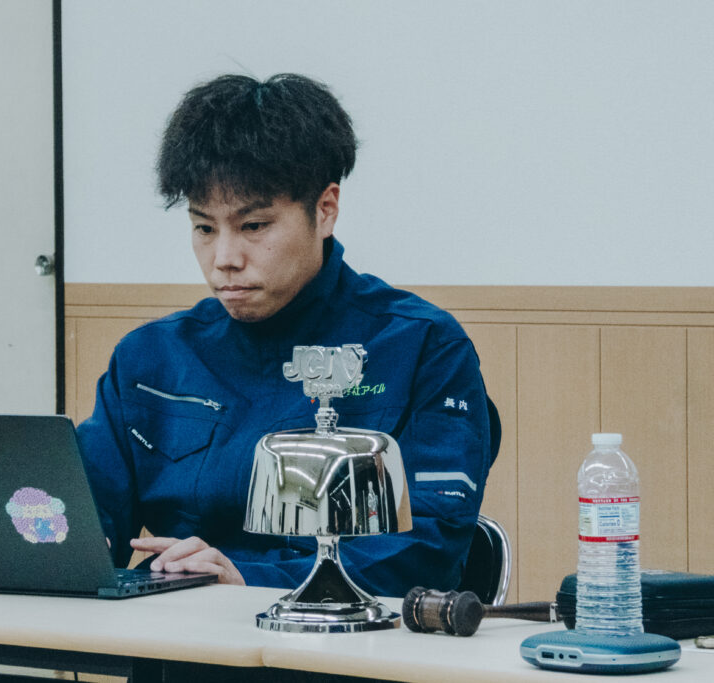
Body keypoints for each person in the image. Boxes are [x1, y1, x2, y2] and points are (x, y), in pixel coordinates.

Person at [76, 73, 500, 597]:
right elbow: (83, 525)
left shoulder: (422, 347)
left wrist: (247, 580)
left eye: (253, 226)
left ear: (325, 210)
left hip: (344, 638)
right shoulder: (150, 359)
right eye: (204, 228)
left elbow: (429, 549)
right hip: (177, 635)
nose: (224, 258)